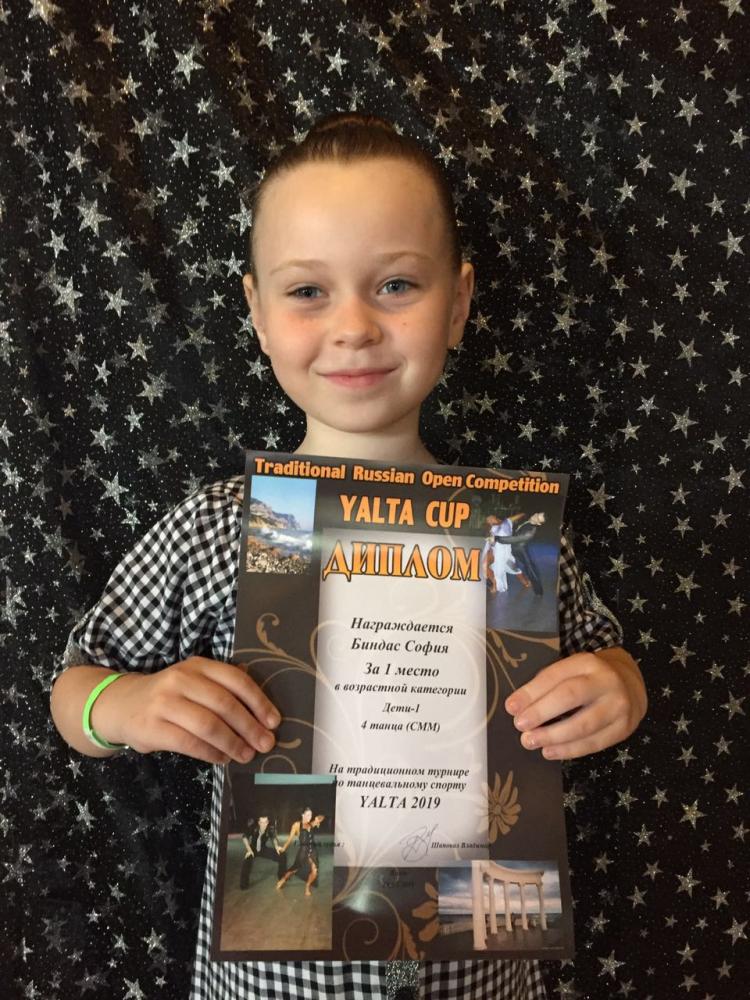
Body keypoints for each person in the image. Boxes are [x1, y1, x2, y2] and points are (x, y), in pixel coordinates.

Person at [49, 112, 647, 1000]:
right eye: (307, 291)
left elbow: (605, 658)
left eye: (396, 284)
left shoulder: (510, 534)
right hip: (273, 970)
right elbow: (72, 690)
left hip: (477, 968)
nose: (355, 326)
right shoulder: (220, 524)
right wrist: (127, 705)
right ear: (257, 313)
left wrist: (619, 690)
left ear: (460, 304)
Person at [493, 512, 547, 597]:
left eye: (537, 518)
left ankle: (539, 591)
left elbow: (513, 539)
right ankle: (521, 578)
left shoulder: (530, 532)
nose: (535, 516)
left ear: (538, 523)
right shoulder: (529, 521)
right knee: (521, 566)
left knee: (530, 569)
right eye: (537, 515)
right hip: (515, 548)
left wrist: (496, 538)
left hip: (519, 551)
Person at [275, 807, 325, 896]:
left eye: (311, 815)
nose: (310, 817)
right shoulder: (297, 825)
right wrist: (284, 848)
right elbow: (290, 839)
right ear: (303, 815)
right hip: (303, 851)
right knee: (294, 869)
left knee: (315, 871)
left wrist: (318, 818)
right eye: (308, 815)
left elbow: (322, 817)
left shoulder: (311, 824)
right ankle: (283, 880)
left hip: (313, 851)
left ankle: (307, 886)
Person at [239, 813, 285, 890]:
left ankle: (282, 877)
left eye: (265, 822)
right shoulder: (253, 827)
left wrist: (276, 846)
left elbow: (273, 838)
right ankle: (244, 885)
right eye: (262, 822)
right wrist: (249, 850)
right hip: (252, 849)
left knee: (282, 855)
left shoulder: (270, 829)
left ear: (268, 822)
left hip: (263, 848)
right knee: (246, 862)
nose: (263, 824)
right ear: (259, 822)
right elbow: (244, 837)